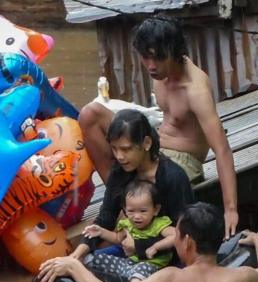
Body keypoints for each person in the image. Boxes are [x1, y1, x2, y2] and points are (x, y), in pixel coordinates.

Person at [78, 16, 239, 239]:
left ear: (174, 52)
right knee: (89, 115)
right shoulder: (160, 74)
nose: (151, 66)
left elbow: (222, 149)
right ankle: (123, 201)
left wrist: (230, 209)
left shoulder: (195, 89)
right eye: (146, 58)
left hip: (183, 160)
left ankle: (131, 207)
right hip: (155, 144)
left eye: (158, 58)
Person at [38, 202, 258, 282]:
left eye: (177, 235)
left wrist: (74, 266)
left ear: (188, 242)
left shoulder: (170, 278)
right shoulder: (242, 278)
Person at [69, 108, 194, 261]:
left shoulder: (173, 177)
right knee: (87, 262)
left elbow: (184, 234)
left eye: (126, 149)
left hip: (164, 257)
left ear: (146, 143)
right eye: (114, 149)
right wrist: (78, 253)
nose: (119, 156)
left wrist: (140, 246)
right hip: (131, 251)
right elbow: (106, 217)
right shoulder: (120, 172)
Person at [83, 179, 176, 282]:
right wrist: (101, 232)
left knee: (138, 274)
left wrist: (156, 246)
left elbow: (175, 236)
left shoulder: (159, 224)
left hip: (152, 267)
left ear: (155, 210)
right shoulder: (127, 224)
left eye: (143, 211)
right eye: (131, 211)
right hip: (129, 264)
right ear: (125, 209)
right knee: (89, 259)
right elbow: (118, 238)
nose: (136, 216)